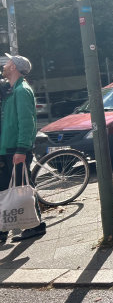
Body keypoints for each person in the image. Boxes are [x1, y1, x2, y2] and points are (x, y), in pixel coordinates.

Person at [0, 54, 44, 243]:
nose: (5, 64)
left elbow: (27, 123)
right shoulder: (11, 90)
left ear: (14, 67)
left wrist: (21, 149)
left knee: (23, 188)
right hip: (6, 148)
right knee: (4, 189)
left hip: (15, 149)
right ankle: (4, 228)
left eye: (8, 62)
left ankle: (35, 225)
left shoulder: (22, 91)